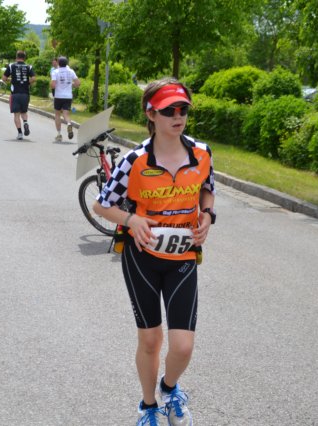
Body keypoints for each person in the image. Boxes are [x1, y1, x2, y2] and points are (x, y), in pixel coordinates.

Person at [92, 78, 215, 426]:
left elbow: (207, 189)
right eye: (169, 111)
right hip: (142, 259)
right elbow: (102, 205)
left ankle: (170, 388)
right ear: (151, 114)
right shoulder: (134, 160)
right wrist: (131, 219)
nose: (178, 117)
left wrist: (207, 216)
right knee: (150, 340)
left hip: (183, 258)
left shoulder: (201, 153)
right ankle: (148, 407)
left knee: (182, 346)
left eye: (183, 110)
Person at [2, 50, 36, 140]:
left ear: (16, 57)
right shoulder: (29, 67)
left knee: (16, 114)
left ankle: (20, 133)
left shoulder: (11, 66)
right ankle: (25, 122)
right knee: (24, 112)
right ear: (24, 58)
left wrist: (11, 80)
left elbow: (4, 78)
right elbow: (33, 78)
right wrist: (27, 82)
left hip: (15, 94)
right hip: (25, 93)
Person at [50, 56, 80, 142]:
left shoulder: (55, 72)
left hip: (58, 96)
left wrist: (54, 84)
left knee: (57, 115)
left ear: (58, 63)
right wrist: (70, 84)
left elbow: (53, 85)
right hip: (68, 96)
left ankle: (59, 134)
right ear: (67, 63)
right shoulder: (71, 71)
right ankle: (69, 124)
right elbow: (78, 83)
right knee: (66, 114)